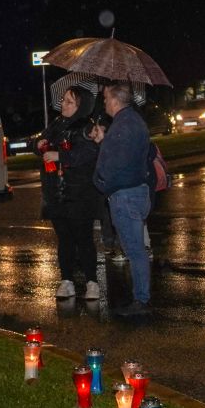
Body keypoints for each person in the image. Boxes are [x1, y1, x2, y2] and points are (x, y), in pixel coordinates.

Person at [92, 82, 154, 318]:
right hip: (137, 191)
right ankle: (141, 297)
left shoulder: (122, 125)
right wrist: (105, 140)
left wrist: (101, 182)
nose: (104, 102)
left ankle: (141, 300)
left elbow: (114, 163)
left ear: (116, 100)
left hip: (125, 196)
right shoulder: (133, 121)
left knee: (135, 251)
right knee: (136, 249)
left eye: (106, 98)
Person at [39, 85, 102, 300]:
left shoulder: (87, 127)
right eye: (63, 100)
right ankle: (67, 280)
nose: (63, 105)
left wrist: (61, 157)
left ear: (81, 106)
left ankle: (92, 281)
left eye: (69, 102)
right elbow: (39, 142)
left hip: (79, 193)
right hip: (56, 193)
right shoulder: (57, 124)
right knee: (64, 238)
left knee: (83, 238)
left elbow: (87, 153)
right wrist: (38, 144)